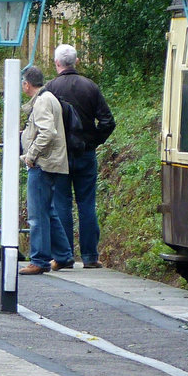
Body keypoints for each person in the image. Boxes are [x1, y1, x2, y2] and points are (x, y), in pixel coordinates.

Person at [43, 44, 116, 268]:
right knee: (87, 204)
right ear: (75, 62)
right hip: (85, 153)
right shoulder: (90, 87)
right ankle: (90, 257)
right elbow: (107, 122)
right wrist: (92, 141)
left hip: (59, 156)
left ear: (57, 64)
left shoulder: (50, 89)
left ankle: (64, 256)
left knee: (61, 204)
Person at [18, 65, 74, 275]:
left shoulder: (42, 101)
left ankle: (39, 260)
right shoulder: (49, 97)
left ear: (27, 84)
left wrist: (31, 155)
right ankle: (63, 255)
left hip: (42, 163)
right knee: (48, 210)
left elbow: (47, 132)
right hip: (53, 162)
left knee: (37, 214)